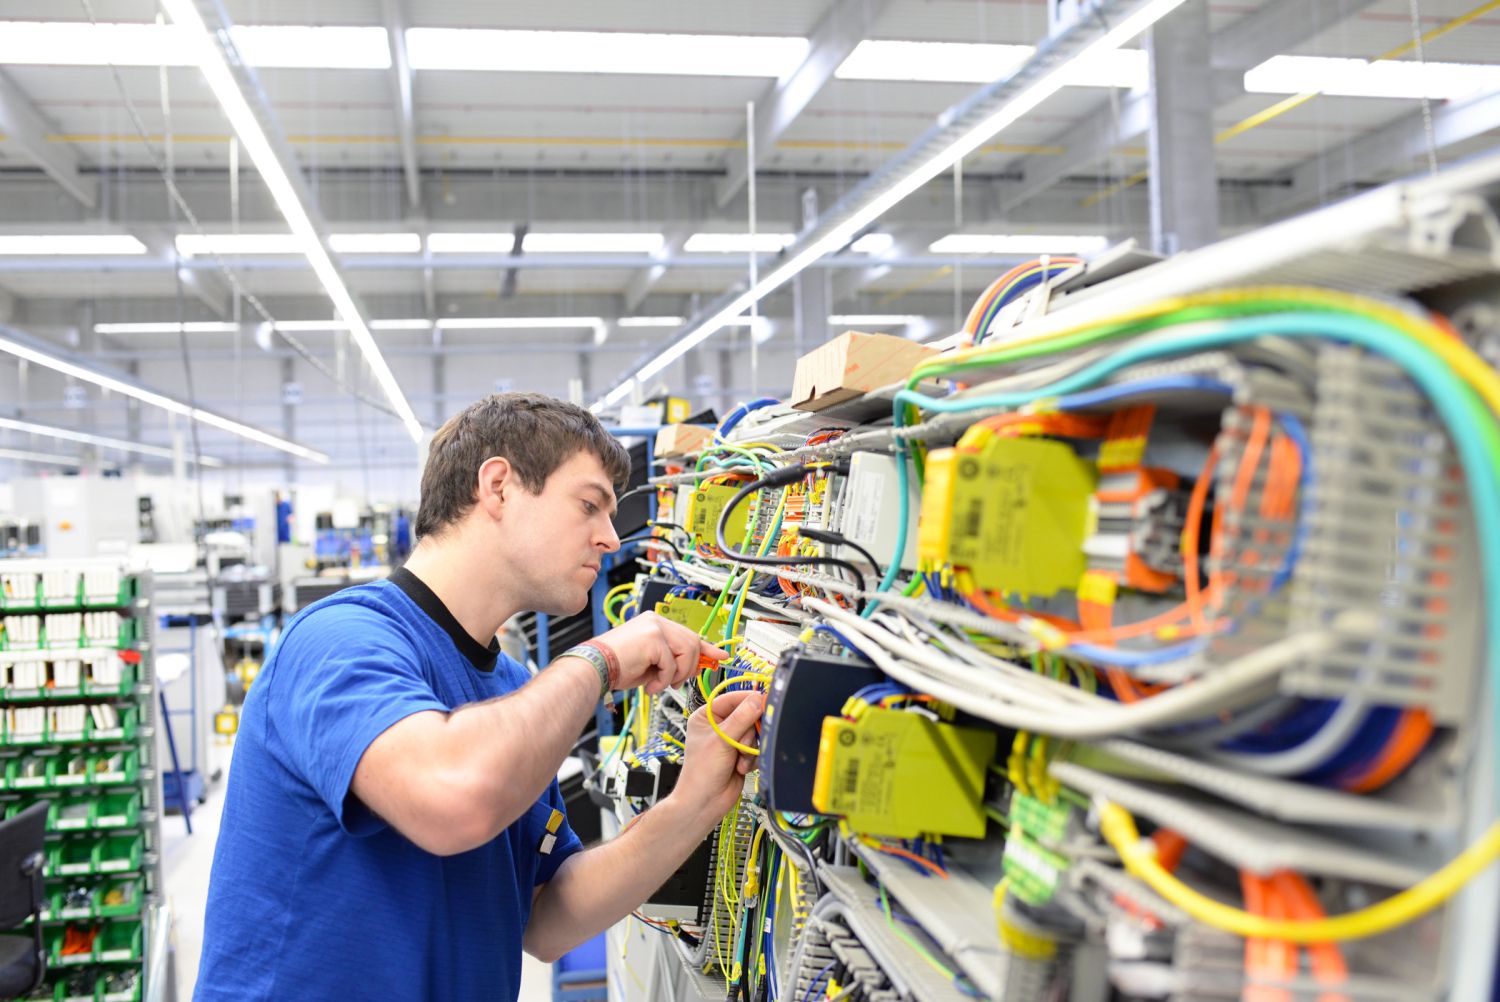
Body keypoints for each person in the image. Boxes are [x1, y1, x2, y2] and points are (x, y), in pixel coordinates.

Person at [195, 393, 764, 1001]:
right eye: (590, 506)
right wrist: (599, 659)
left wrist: (695, 802)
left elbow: (546, 916)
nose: (608, 537)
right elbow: (452, 799)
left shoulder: (514, 691)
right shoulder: (340, 640)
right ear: (498, 487)